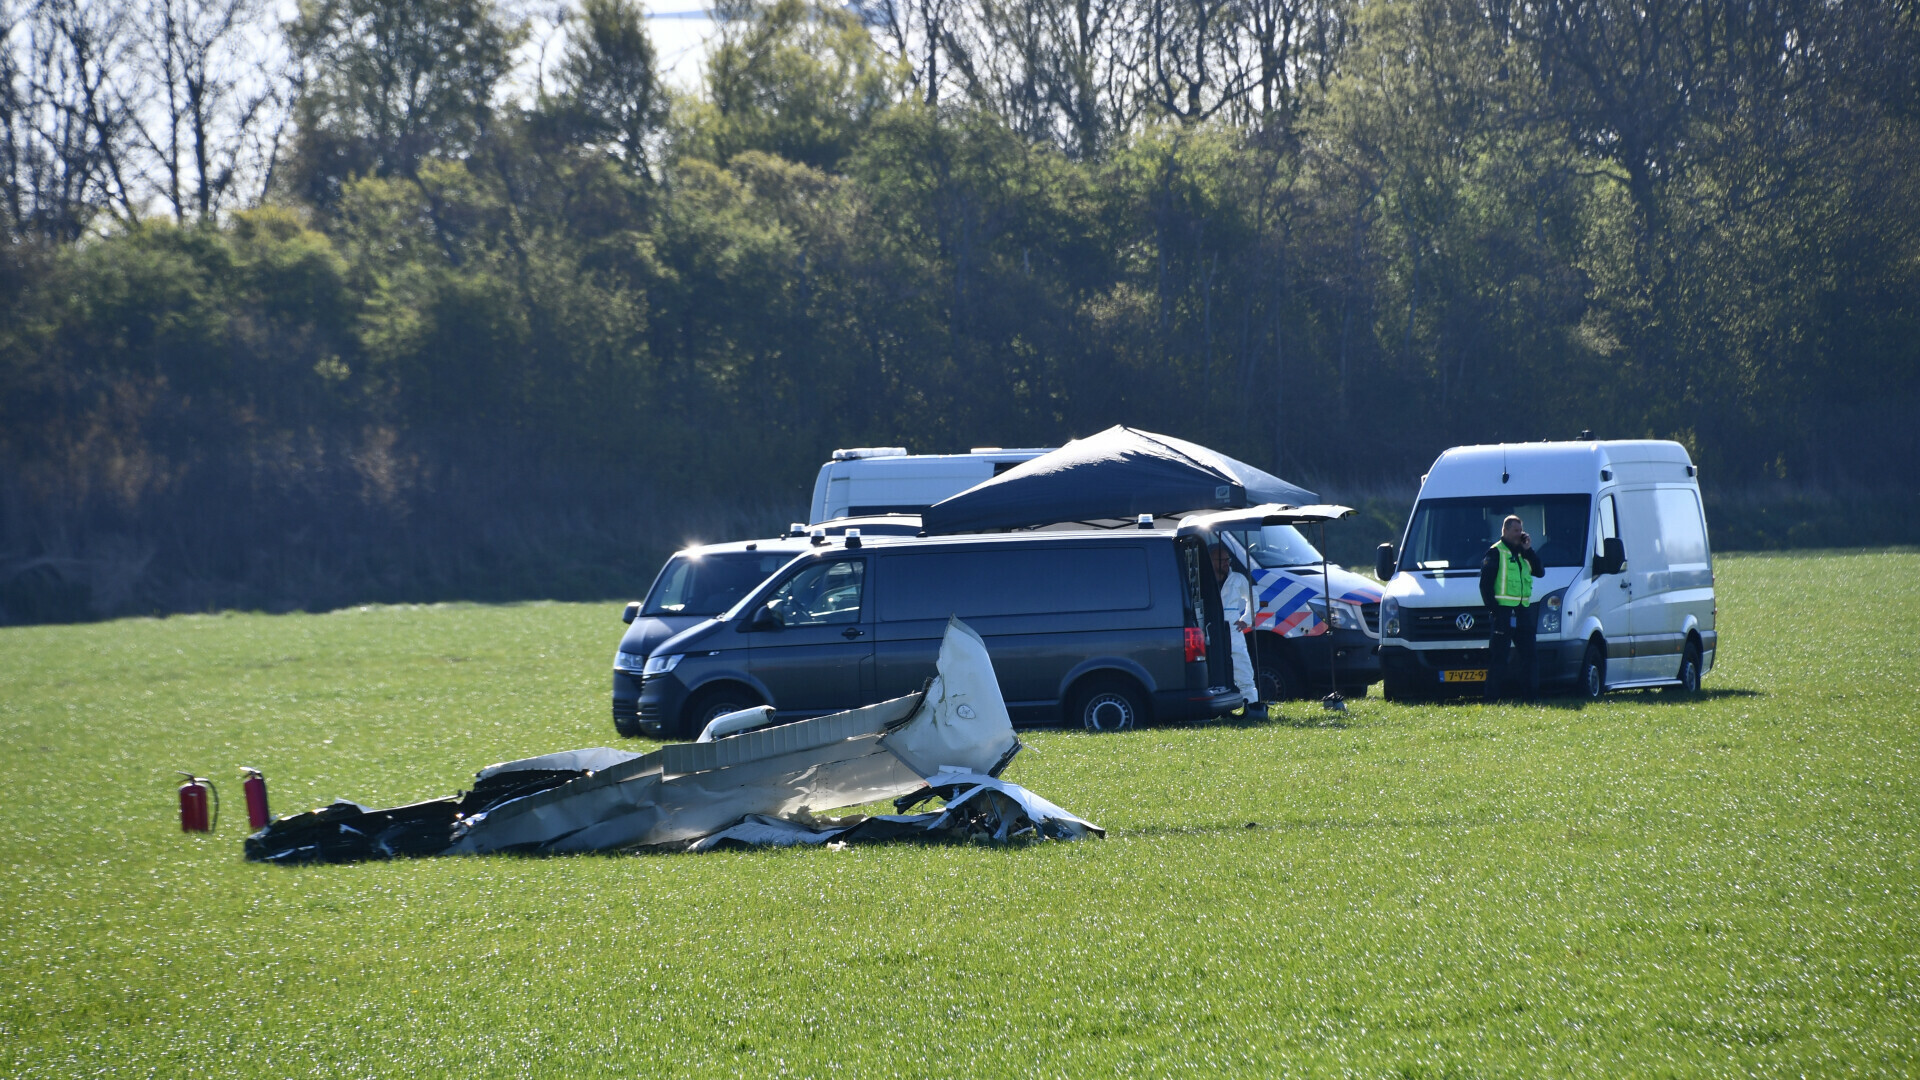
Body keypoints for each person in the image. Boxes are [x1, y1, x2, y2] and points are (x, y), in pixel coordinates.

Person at [1480, 514, 1546, 701]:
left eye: (1521, 530)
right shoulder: (1495, 552)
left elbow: (1540, 572)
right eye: (1516, 531)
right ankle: (1492, 699)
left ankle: (1531, 697)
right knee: (1499, 658)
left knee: (1530, 657)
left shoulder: (1523, 553)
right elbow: (1485, 586)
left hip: (1522, 611)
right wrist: (1494, 611)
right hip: (1503, 612)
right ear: (1505, 531)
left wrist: (1529, 550)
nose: (1520, 534)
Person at [1213, 543, 1258, 712]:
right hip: (1212, 627)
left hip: (1232, 627)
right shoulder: (1205, 578)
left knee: (1242, 665)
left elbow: (1253, 597)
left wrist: (1246, 620)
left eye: (1228, 559)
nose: (1226, 563)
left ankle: (1252, 704)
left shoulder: (1237, 579)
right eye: (1222, 560)